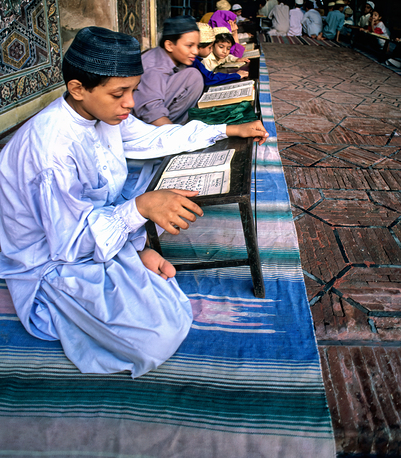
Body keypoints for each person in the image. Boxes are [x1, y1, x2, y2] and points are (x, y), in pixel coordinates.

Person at [0, 26, 268, 379]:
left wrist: (225, 130)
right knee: (154, 338)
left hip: (90, 225)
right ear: (77, 89)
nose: (130, 103)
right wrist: (140, 209)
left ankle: (131, 259)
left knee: (159, 161)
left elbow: (151, 138)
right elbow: (67, 244)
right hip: (52, 257)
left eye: (133, 90)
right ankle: (112, 272)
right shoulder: (51, 151)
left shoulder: (99, 113)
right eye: (119, 93)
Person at [133, 15, 204, 126]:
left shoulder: (172, 59)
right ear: (169, 45)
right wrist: (177, 138)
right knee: (193, 76)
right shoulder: (154, 70)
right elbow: (153, 115)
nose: (195, 51)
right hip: (142, 126)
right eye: (189, 45)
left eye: (197, 46)